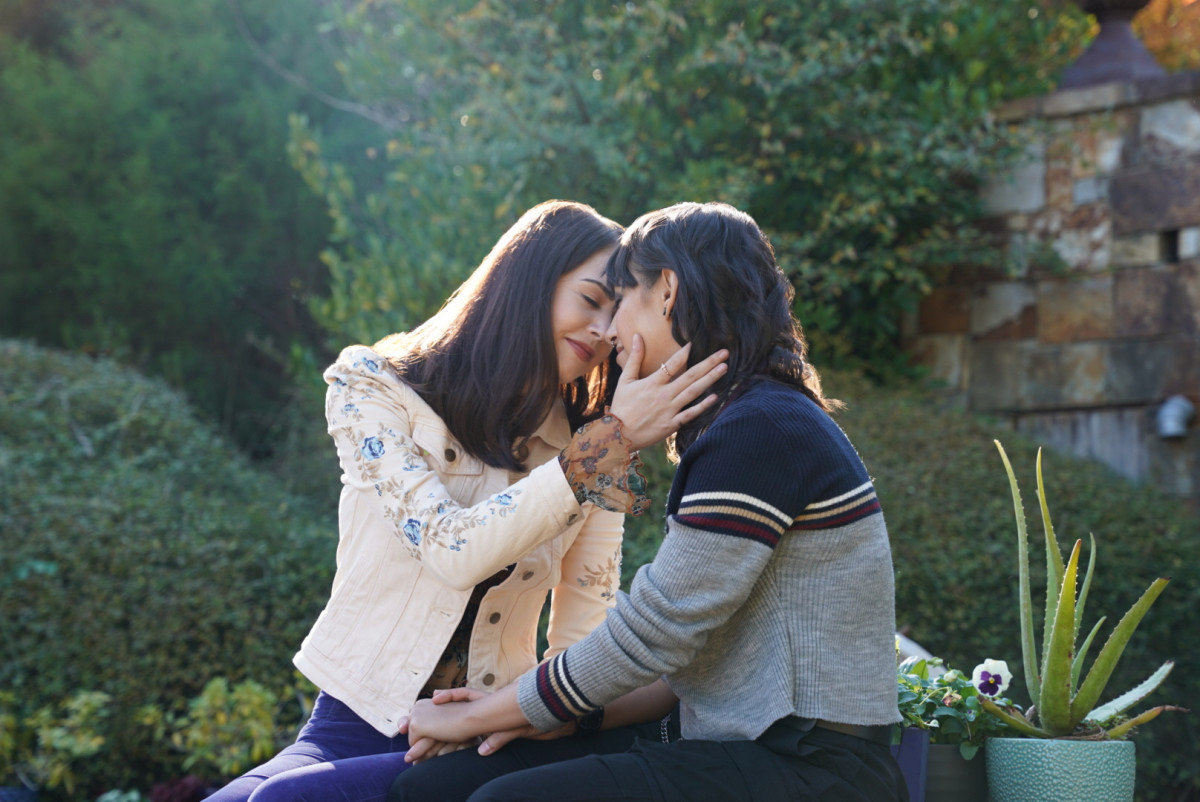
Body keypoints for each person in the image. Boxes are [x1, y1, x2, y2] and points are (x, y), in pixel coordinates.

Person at [204, 200, 729, 802]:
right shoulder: (372, 386)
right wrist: (598, 449)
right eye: (589, 300)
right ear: (528, 283)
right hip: (353, 719)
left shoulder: (595, 446)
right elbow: (449, 548)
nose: (603, 330)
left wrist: (514, 719)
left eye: (615, 313)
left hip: (485, 734)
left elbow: (582, 639)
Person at [394, 201, 907, 802]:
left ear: (667, 291)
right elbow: (679, 659)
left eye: (620, 300)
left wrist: (484, 714)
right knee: (434, 788)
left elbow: (657, 630)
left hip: (812, 767)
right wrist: (554, 715)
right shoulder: (747, 420)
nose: (609, 333)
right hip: (732, 743)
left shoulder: (762, 428)